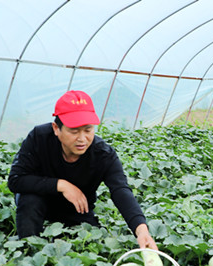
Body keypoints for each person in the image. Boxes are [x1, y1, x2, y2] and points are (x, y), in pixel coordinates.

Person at [8, 90, 157, 250]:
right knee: (30, 200)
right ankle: (29, 254)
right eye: (74, 131)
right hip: (39, 201)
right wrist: (61, 185)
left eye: (88, 130)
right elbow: (16, 180)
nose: (82, 138)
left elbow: (120, 190)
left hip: (76, 207)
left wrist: (141, 230)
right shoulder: (39, 138)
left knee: (90, 243)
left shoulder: (103, 154)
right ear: (56, 128)